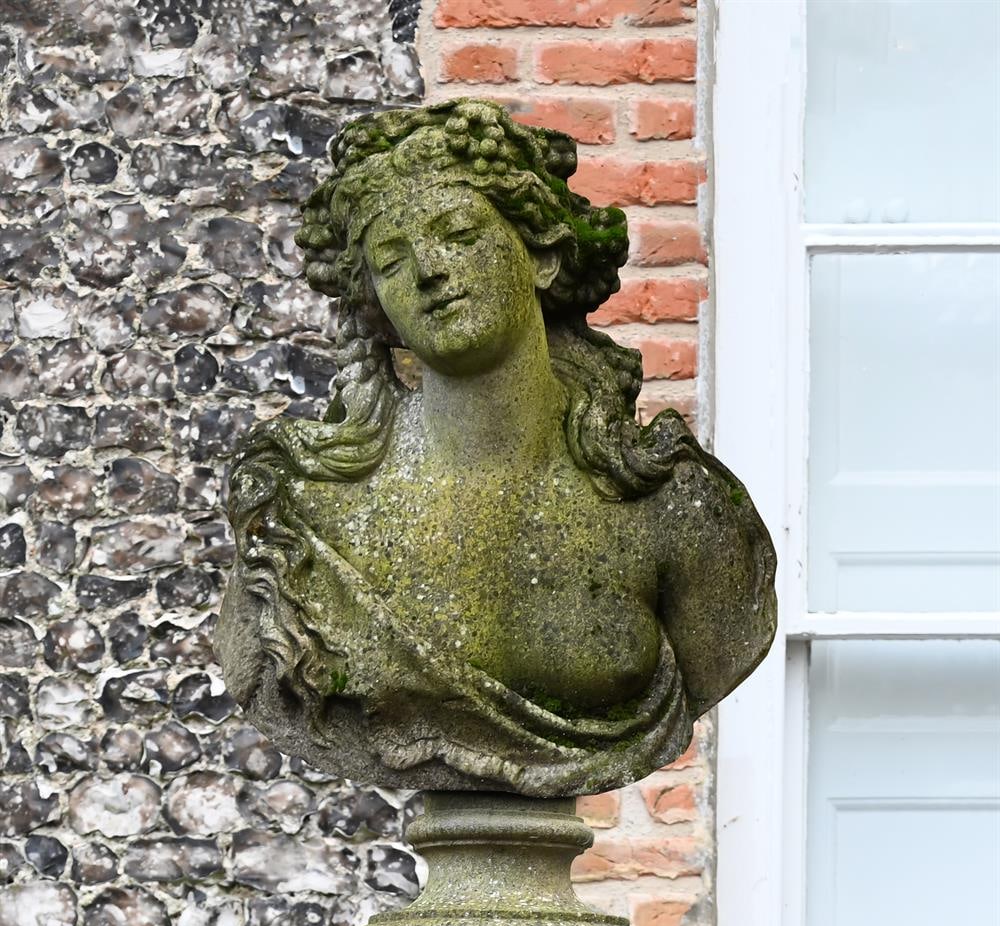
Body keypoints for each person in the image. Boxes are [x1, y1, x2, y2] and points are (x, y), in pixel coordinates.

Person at [219, 99, 776, 799]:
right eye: (392, 260)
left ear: (541, 255)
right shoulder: (301, 524)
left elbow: (719, 643)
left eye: (459, 234)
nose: (429, 270)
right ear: (376, 306)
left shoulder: (674, 510)